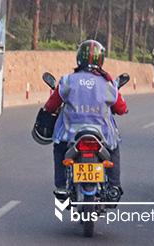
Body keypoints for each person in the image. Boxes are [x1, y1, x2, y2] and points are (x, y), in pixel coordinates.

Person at [43, 40, 127, 199]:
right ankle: (114, 186)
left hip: (70, 134)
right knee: (114, 148)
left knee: (59, 148)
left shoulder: (68, 80)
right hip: (102, 133)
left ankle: (61, 186)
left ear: (78, 58)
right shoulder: (108, 83)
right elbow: (121, 108)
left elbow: (51, 105)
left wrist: (48, 110)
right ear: (101, 60)